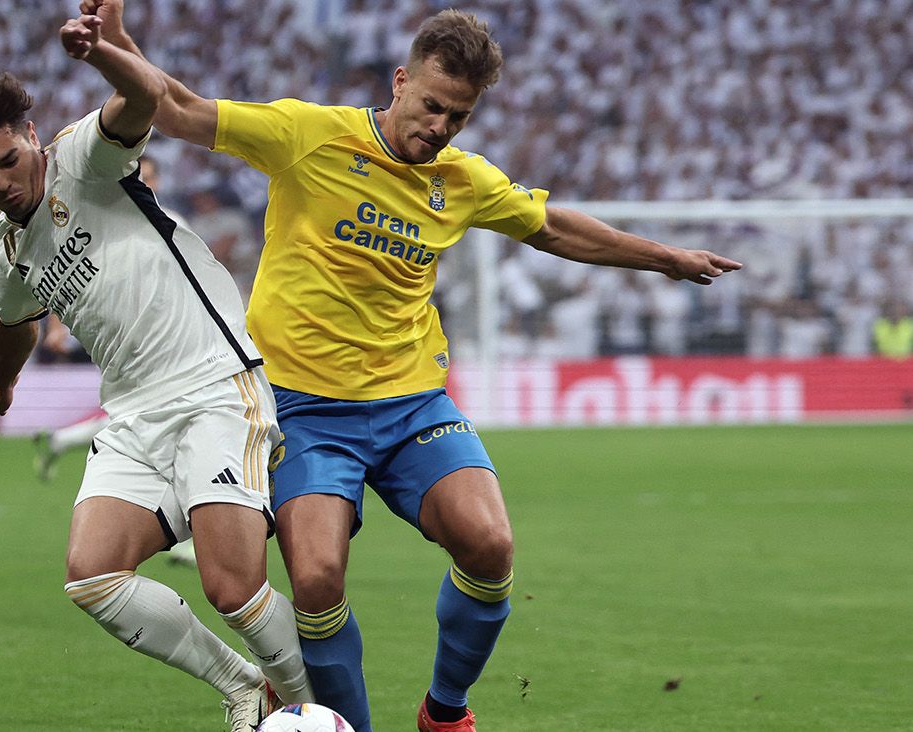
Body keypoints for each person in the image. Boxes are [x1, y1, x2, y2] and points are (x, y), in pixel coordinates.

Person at [82, 3, 744, 730]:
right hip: (301, 407)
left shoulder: (461, 179)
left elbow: (551, 226)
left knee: (490, 546)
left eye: (458, 117)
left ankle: (445, 712)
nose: (440, 127)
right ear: (401, 82)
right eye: (432, 106)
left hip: (411, 405)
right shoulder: (309, 134)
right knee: (315, 577)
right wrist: (116, 48)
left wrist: (666, 259)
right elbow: (178, 107)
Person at [0, 15, 312, 731]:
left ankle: (314, 708)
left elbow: (144, 98)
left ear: (30, 131)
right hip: (135, 416)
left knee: (232, 586)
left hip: (211, 387)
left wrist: (102, 50)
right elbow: (12, 322)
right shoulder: (6, 252)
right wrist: (3, 383)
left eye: (7, 161)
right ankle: (242, 687)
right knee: (92, 573)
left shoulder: (82, 157)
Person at [30, 154, 199, 568]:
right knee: (162, 433)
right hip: (128, 352)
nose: (146, 180)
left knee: (173, 436)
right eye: (139, 173)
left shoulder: (171, 218)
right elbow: (66, 269)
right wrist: (54, 325)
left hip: (177, 350)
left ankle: (63, 443)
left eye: (152, 174)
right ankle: (182, 531)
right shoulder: (99, 223)